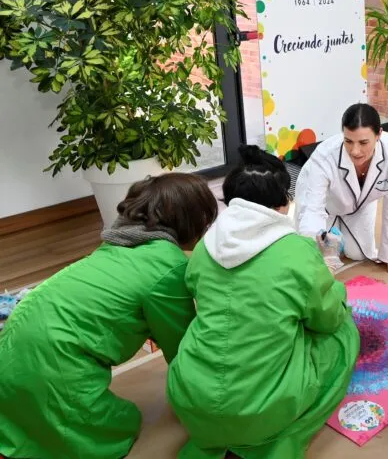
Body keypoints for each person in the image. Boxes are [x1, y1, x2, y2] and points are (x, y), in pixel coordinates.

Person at [0, 173, 218, 459]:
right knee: (119, 427)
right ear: (193, 220)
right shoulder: (169, 267)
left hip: (11, 349)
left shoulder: (116, 245)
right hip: (53, 361)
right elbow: (183, 348)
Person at [167, 145, 359, 459]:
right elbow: (328, 319)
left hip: (190, 397)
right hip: (259, 410)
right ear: (283, 203)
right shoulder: (295, 251)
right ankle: (274, 441)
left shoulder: (203, 248)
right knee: (344, 332)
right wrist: (327, 265)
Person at [294, 103, 388, 273]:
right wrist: (311, 255)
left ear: (379, 134)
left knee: (358, 254)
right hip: (324, 205)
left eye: (363, 142)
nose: (355, 151)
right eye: (348, 141)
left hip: (360, 204)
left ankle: (340, 231)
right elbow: (313, 209)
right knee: (316, 259)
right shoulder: (324, 156)